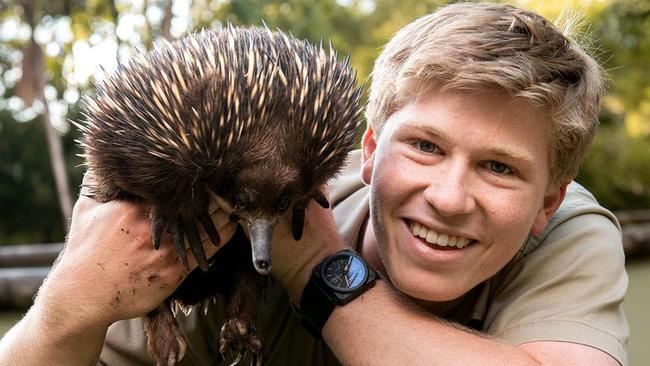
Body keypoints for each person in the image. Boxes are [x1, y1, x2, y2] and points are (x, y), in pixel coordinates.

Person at [0, 2, 628, 365]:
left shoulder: (569, 234)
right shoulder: (195, 226)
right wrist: (62, 313)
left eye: (500, 167)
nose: (448, 197)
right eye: (425, 146)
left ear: (548, 201)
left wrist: (317, 269)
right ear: (370, 149)